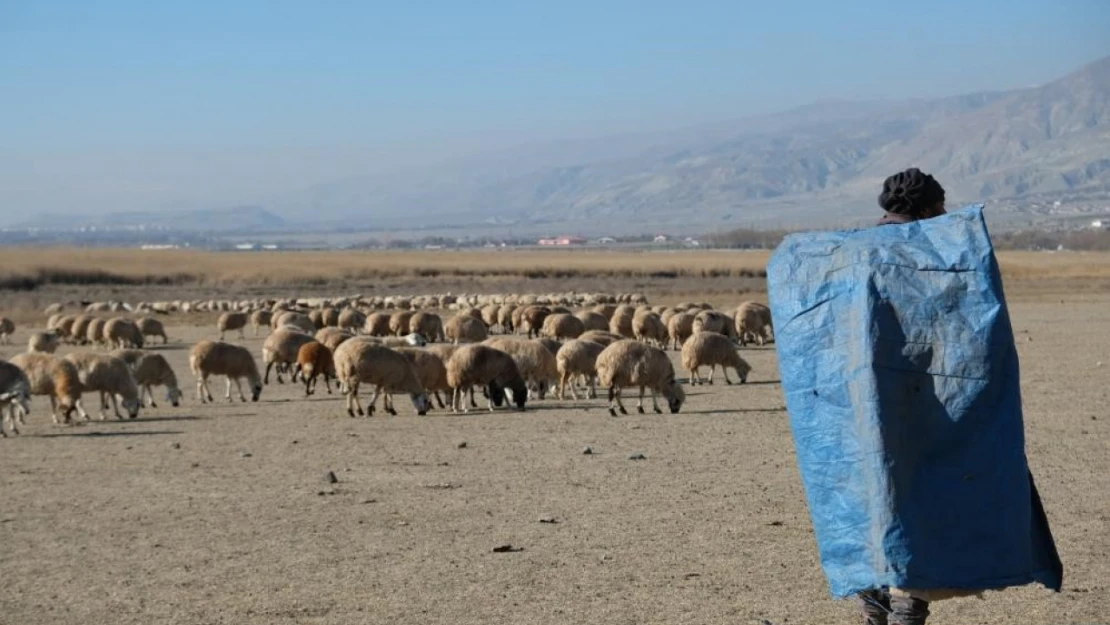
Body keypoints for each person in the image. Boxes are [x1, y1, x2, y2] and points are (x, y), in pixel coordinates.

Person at [857, 167, 946, 625]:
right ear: (927, 210)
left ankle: (875, 613)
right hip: (913, 405)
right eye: (940, 210)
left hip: (852, 409)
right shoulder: (925, 255)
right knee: (916, 510)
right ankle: (906, 612)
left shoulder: (850, 253)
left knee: (872, 510)